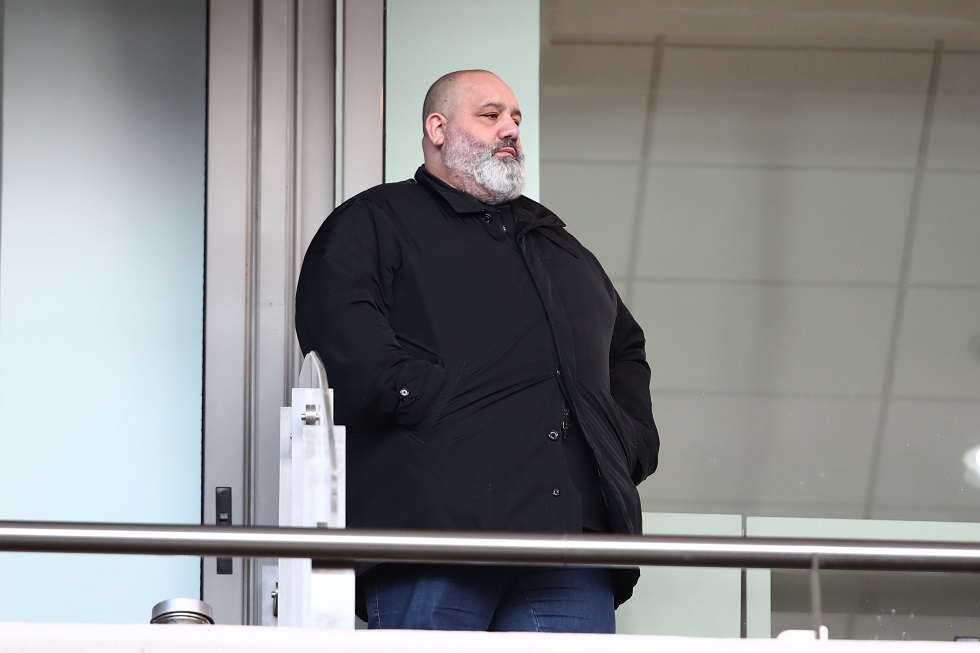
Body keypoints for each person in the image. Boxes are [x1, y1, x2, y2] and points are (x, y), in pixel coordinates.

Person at [295, 69, 659, 633]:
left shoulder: (558, 245)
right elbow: (339, 325)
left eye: (515, 119)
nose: (509, 129)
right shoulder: (377, 220)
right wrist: (422, 398)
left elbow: (625, 348)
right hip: (434, 526)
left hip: (571, 541)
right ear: (437, 129)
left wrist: (628, 440)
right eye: (490, 116)